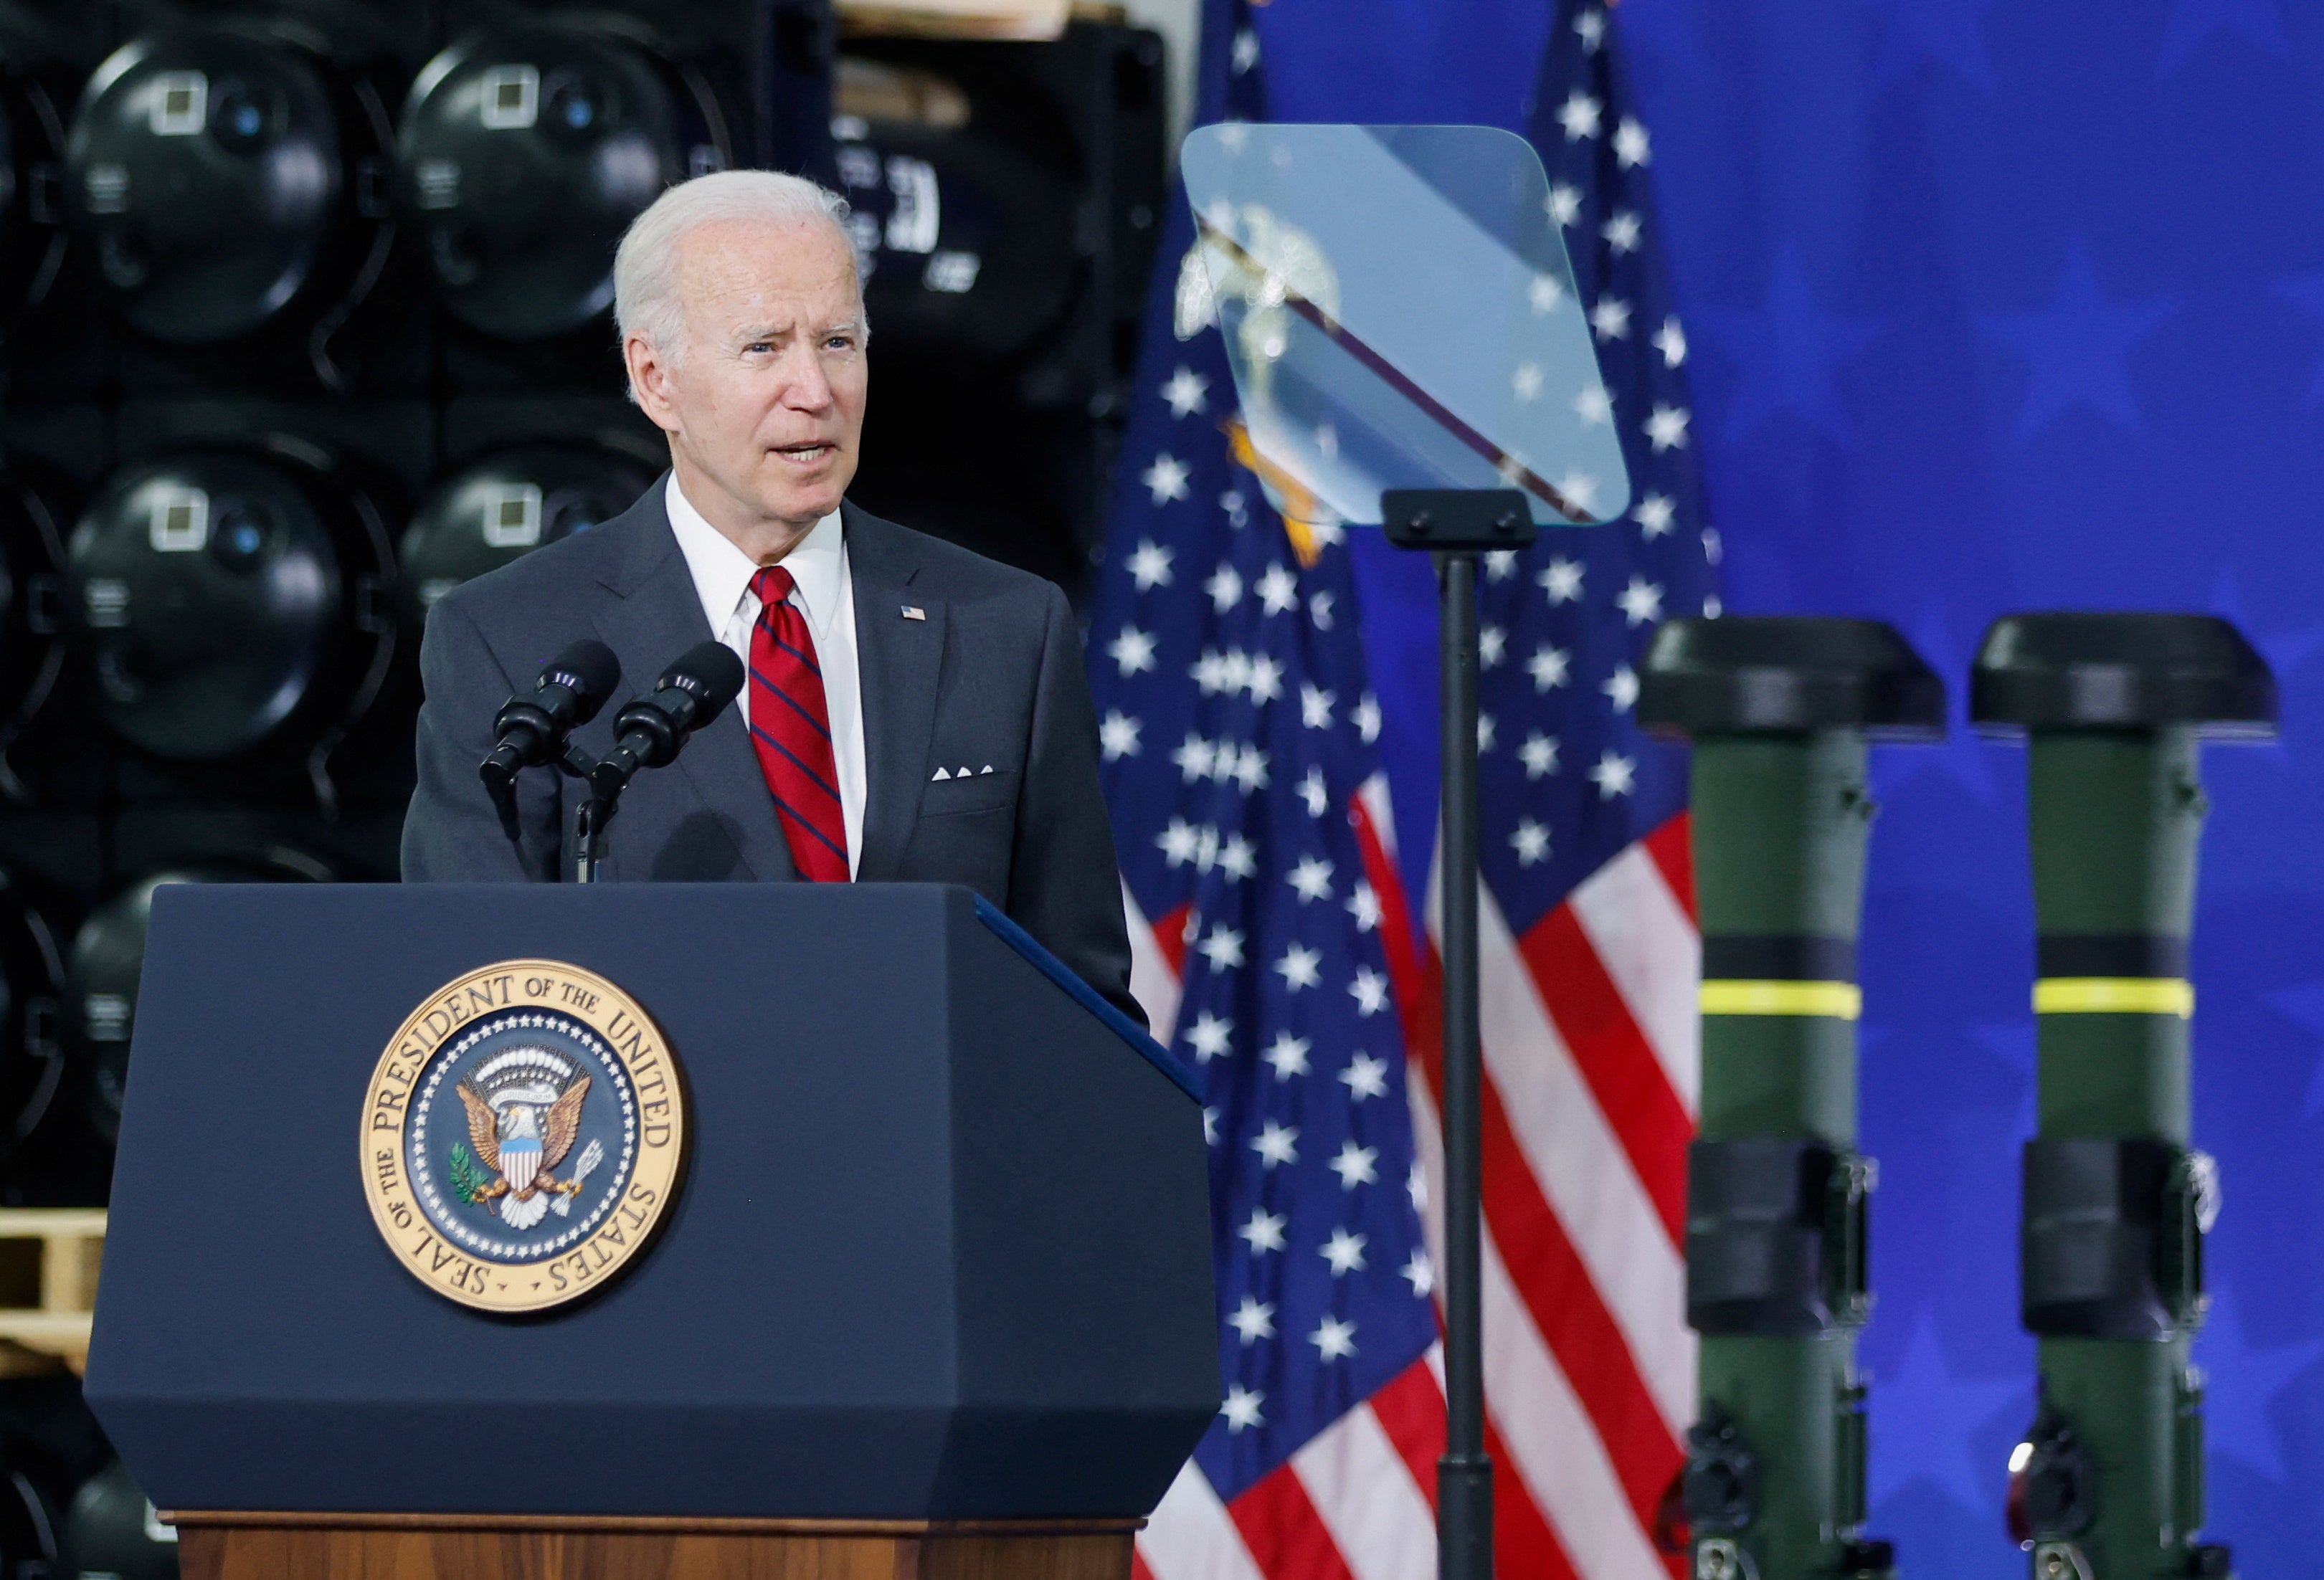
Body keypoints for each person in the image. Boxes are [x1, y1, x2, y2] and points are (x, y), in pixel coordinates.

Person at [402, 170, 1139, 1023]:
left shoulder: (1007, 627)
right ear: (655, 379)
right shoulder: (506, 638)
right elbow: (471, 1012)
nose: (816, 391)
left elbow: (1088, 1014)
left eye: (837, 342)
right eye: (763, 347)